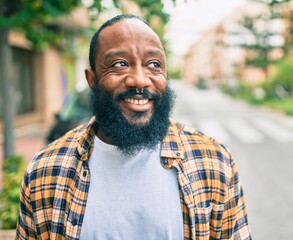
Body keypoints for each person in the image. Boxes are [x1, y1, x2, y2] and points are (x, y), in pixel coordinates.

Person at [16, 14, 251, 240]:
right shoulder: (46, 170)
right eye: (120, 64)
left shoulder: (214, 162)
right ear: (92, 80)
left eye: (153, 64)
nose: (139, 79)